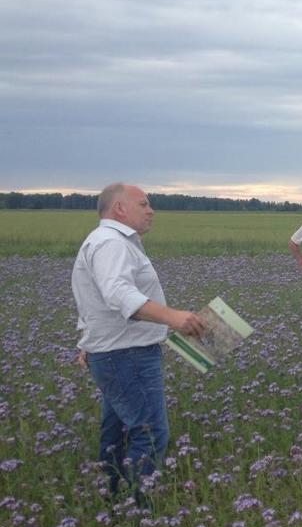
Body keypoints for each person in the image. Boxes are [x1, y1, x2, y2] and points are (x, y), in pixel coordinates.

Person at [72, 183, 205, 501]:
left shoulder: (109, 242)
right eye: (144, 204)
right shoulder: (111, 243)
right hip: (127, 355)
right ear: (119, 208)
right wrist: (171, 317)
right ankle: (139, 512)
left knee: (115, 433)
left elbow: (93, 297)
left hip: (113, 352)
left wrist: (87, 341)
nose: (151, 211)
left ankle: (114, 499)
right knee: (150, 433)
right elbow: (117, 293)